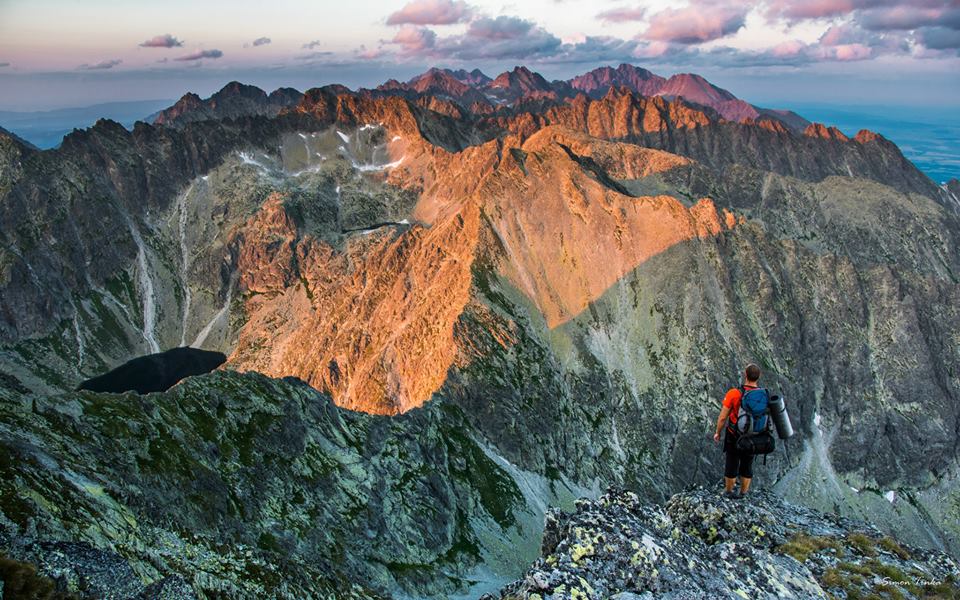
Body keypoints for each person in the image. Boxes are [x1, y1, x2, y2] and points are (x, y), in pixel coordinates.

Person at [713, 364, 762, 499]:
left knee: (732, 461)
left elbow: (723, 417)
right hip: (753, 435)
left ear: (745, 375)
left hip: (734, 434)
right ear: (758, 377)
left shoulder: (734, 393)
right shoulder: (763, 395)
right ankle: (744, 493)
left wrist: (718, 432)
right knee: (748, 463)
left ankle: (729, 492)